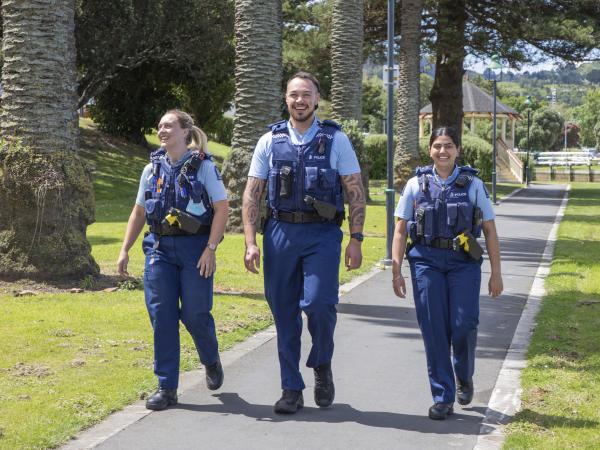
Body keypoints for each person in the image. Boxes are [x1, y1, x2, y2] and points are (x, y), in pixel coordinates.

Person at [242, 72, 366, 414]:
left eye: (306, 95)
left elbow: (354, 190)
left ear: (316, 99)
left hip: (322, 234)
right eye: (294, 95)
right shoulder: (270, 140)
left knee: (319, 304)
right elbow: (253, 193)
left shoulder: (335, 140)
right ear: (286, 99)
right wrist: (251, 242)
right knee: (284, 313)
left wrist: (356, 239)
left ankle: (322, 364)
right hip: (280, 233)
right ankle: (290, 389)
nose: (300, 100)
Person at [117, 109, 229, 411]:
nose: (162, 130)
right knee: (162, 316)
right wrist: (125, 249)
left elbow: (221, 208)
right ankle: (167, 387)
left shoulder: (204, 166)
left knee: (195, 314)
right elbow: (139, 212)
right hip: (159, 249)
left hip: (196, 248)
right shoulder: (151, 170)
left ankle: (211, 359)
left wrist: (211, 248)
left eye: (168, 125)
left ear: (184, 132)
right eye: (160, 126)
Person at [391, 126, 503, 420]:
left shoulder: (473, 183)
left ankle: (463, 374)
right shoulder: (416, 183)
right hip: (425, 261)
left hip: (463, 260)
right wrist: (396, 270)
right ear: (430, 150)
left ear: (457, 150)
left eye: (449, 146)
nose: (443, 151)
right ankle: (443, 395)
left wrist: (496, 273)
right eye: (438, 146)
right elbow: (400, 229)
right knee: (433, 328)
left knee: (464, 324)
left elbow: (489, 230)